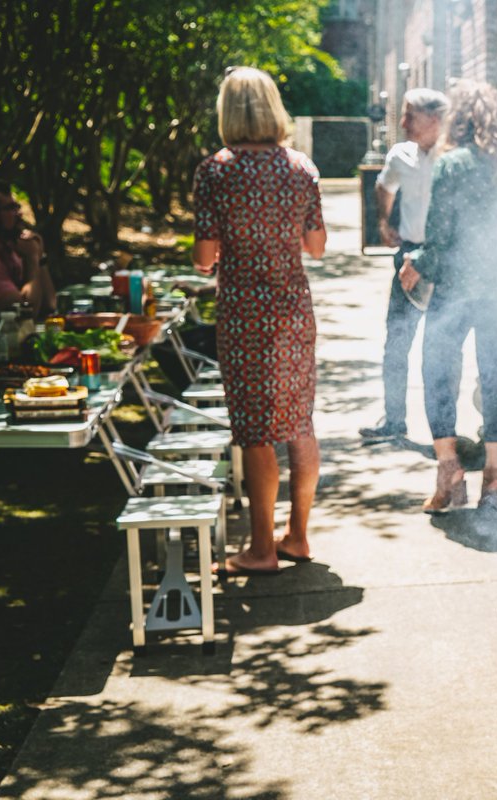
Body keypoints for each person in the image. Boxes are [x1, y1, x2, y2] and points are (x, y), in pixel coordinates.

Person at [193, 66, 327, 574]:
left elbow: (205, 256)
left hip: (245, 314)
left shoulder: (216, 170)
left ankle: (260, 550)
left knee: (255, 430)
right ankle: (298, 537)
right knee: (299, 423)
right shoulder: (300, 168)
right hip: (293, 310)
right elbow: (316, 247)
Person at [398, 80, 497, 512]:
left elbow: (439, 238)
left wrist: (415, 262)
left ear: (459, 119)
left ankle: (450, 475)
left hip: (457, 288)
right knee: (494, 373)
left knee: (438, 369)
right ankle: (494, 480)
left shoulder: (453, 165)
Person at [360, 87, 450, 443]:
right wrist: (385, 221)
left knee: (442, 348)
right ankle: (394, 420)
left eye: (409, 115)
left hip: (444, 260)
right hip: (408, 256)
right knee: (397, 340)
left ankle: (445, 432)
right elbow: (384, 186)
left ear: (434, 119)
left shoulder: (452, 157)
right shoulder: (401, 155)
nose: (402, 122)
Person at [0, 180, 56, 329]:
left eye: (17, 206)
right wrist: (31, 258)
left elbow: (49, 305)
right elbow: (25, 313)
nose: (19, 214)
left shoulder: (8, 244)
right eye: (11, 208)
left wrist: (39, 256)